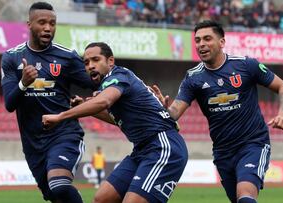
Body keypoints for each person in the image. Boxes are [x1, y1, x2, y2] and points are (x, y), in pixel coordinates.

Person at [152, 20, 283, 203]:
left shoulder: (246, 66)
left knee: (245, 194)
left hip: (253, 144)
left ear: (222, 42)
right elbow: (175, 112)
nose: (201, 44)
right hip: (223, 151)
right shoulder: (193, 77)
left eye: (207, 39)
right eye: (197, 40)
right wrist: (163, 108)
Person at [42, 42, 188, 203]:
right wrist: (83, 106)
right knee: (103, 198)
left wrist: (61, 116)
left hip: (163, 146)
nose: (90, 66)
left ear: (110, 61)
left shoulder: (118, 76)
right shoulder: (111, 85)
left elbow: (103, 102)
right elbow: (116, 119)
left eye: (95, 60)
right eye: (86, 62)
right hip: (142, 149)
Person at [0, 2, 94, 203]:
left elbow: (95, 83)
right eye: (42, 22)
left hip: (64, 134)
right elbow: (9, 103)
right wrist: (24, 83)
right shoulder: (11, 57)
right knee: (55, 196)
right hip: (33, 143)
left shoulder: (67, 57)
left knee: (59, 185)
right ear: (29, 24)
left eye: (52, 23)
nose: (48, 28)